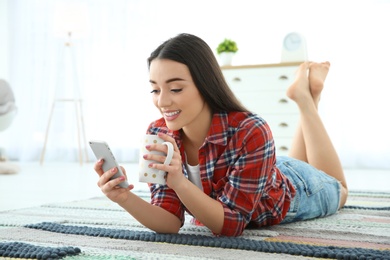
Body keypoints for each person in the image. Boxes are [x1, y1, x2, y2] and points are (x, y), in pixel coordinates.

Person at [94, 33, 348, 237]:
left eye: (175, 88)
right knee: (284, 166)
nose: (162, 101)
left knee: (341, 189)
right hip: (263, 170)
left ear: (205, 84)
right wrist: (124, 198)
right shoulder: (159, 133)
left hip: (296, 190)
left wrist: (179, 181)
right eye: (155, 90)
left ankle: (306, 99)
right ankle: (307, 93)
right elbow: (169, 221)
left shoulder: (251, 130)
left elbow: (231, 224)